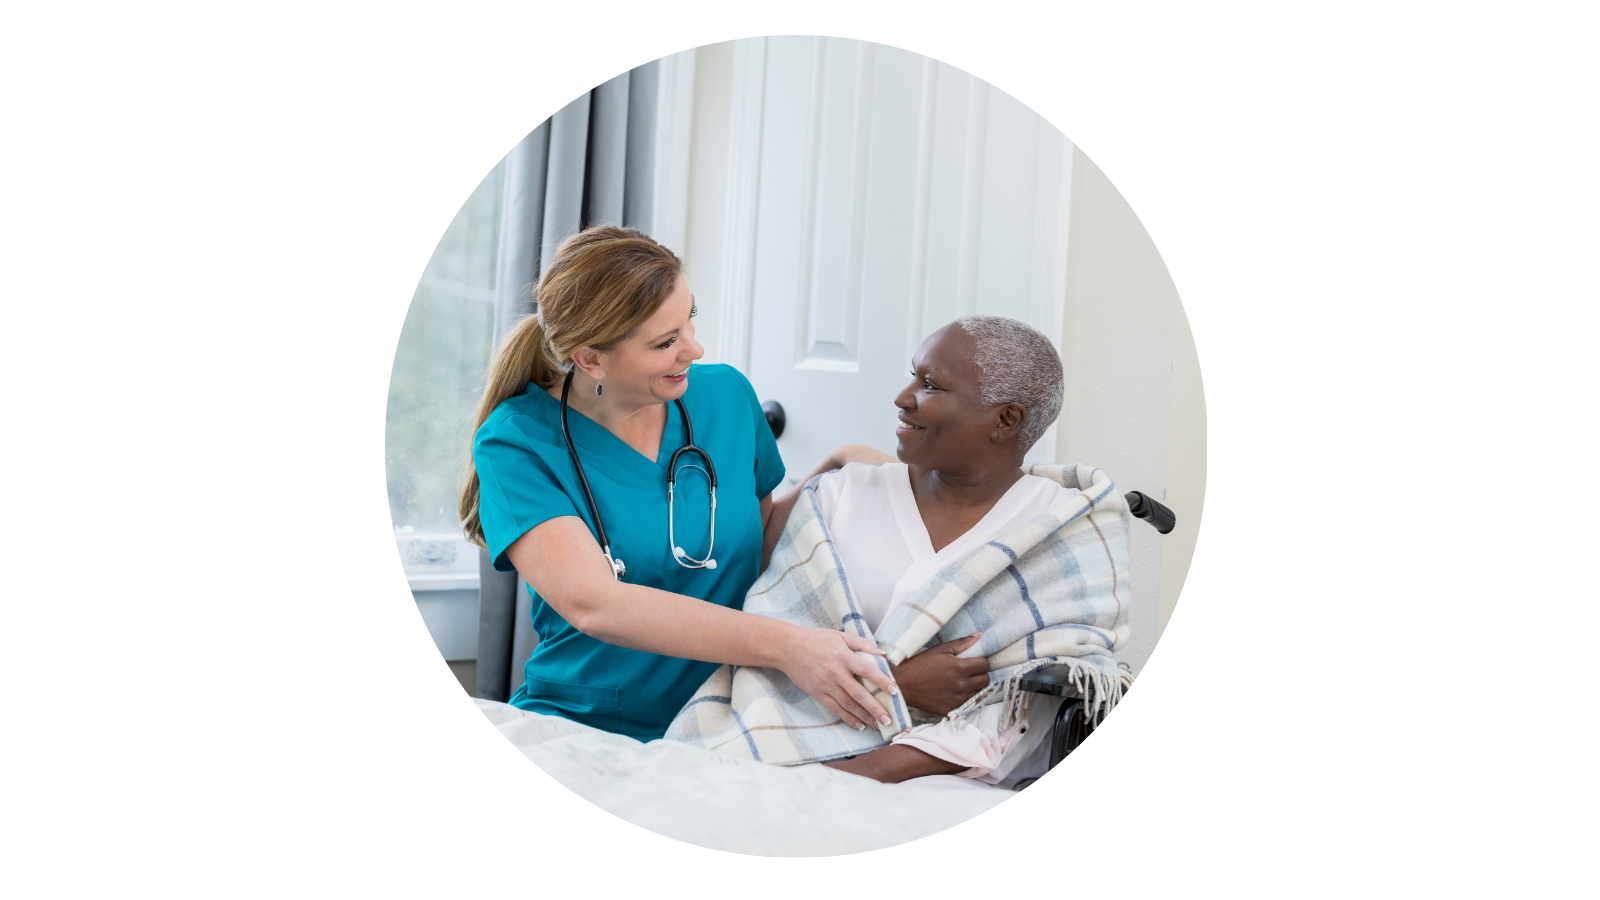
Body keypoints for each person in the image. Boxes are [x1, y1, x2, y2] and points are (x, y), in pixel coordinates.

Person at [459, 226, 983, 743]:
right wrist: (791, 647)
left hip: (731, 718)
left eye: (689, 317)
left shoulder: (726, 396)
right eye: (666, 342)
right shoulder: (517, 444)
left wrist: (834, 473)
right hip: (591, 728)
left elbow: (752, 544)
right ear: (590, 358)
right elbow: (595, 603)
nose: (696, 348)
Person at [762, 315, 1074, 785]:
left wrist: (838, 782)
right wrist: (896, 685)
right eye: (913, 375)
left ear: (1006, 419)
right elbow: (770, 642)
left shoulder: (1057, 529)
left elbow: (1023, 711)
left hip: (956, 786)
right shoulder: (842, 494)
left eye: (930, 385)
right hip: (792, 748)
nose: (902, 398)